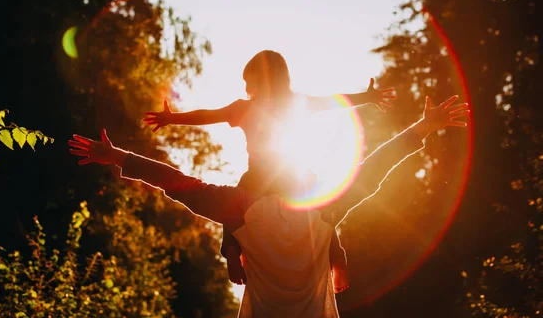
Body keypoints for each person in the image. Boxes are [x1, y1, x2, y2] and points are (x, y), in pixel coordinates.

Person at [69, 94, 470, 318]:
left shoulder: (241, 210)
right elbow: (375, 165)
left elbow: (177, 183)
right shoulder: (323, 208)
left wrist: (118, 155)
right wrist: (422, 127)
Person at [143, 49, 396, 292]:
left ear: (264, 78)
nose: (245, 88)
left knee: (262, 201)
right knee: (265, 201)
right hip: (278, 177)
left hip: (279, 176)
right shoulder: (266, 105)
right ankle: (235, 251)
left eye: (247, 81)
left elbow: (334, 102)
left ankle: (328, 251)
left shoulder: (280, 104)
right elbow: (207, 115)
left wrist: (366, 97)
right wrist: (173, 118)